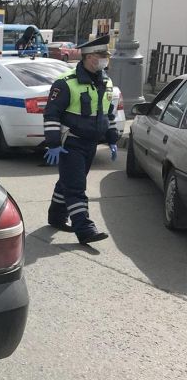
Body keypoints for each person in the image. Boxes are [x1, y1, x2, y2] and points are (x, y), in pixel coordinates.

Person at [43, 34, 118, 245]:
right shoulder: (66, 83)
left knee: (67, 182)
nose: (105, 59)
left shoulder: (106, 81)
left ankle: (56, 217)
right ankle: (85, 229)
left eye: (106, 55)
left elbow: (108, 114)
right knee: (76, 187)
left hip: (90, 144)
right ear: (88, 57)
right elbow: (51, 114)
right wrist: (53, 143)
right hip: (71, 143)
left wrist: (112, 138)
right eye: (101, 55)